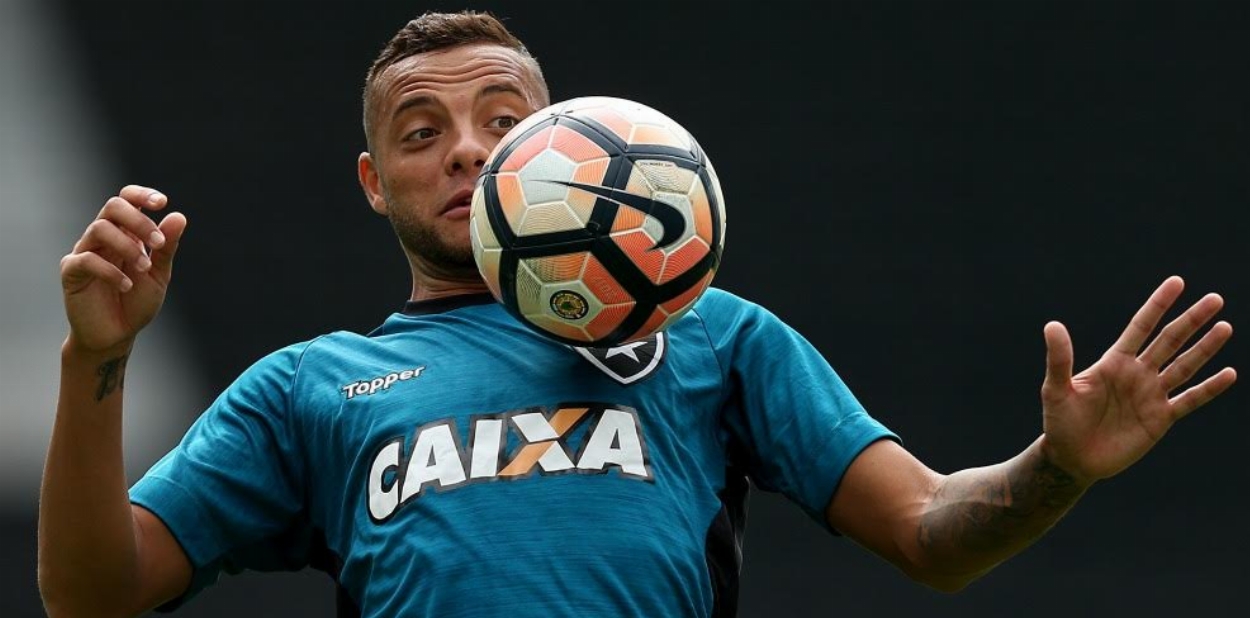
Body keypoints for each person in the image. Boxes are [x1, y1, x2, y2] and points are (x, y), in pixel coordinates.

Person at [37, 10, 1236, 618]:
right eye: (419, 132)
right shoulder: (311, 387)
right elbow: (92, 596)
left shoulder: (714, 335)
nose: (464, 150)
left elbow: (929, 533)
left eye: (500, 120)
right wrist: (99, 360)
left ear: (559, 144)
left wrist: (1054, 468)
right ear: (373, 183)